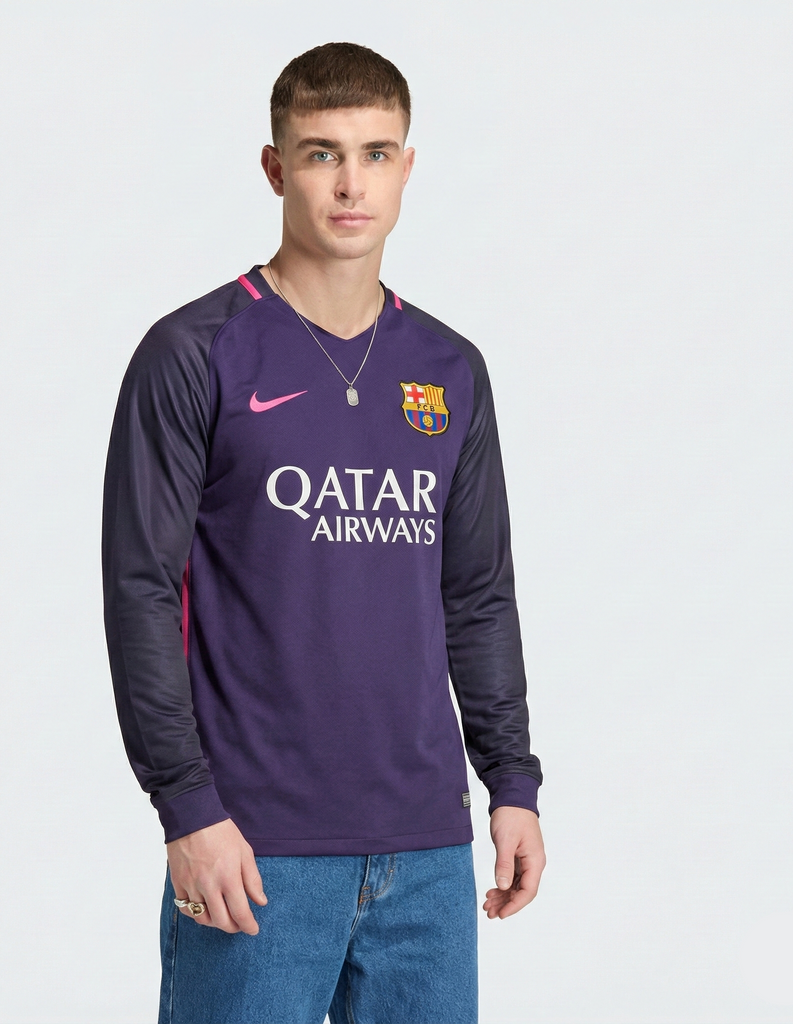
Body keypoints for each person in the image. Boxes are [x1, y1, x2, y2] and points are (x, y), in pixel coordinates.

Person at [101, 41, 545, 1024]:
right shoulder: (195, 353)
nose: (351, 184)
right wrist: (187, 808)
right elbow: (141, 592)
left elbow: (476, 595)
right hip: (252, 847)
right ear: (275, 168)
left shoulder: (450, 368)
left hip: (426, 854)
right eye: (321, 154)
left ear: (407, 167)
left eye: (376, 154)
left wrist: (510, 781)